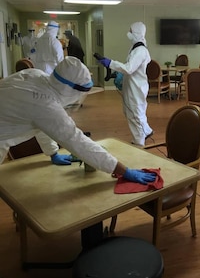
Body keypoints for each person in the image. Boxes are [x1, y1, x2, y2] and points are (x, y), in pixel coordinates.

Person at [0, 56, 156, 185]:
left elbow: (42, 124)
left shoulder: (36, 75)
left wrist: (53, 152)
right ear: (70, 90)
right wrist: (123, 170)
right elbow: (78, 142)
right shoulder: (45, 104)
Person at [98, 21, 153, 147]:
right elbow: (131, 68)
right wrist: (119, 75)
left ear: (137, 32)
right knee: (131, 111)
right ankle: (145, 131)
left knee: (135, 112)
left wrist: (111, 63)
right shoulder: (136, 48)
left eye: (131, 31)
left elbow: (129, 68)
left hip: (136, 87)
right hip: (132, 84)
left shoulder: (140, 50)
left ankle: (140, 141)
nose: (129, 33)